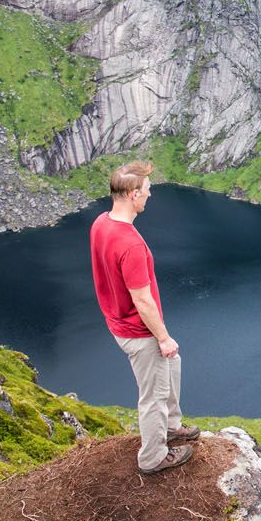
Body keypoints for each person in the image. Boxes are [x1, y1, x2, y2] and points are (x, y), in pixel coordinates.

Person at [89, 160, 199, 474]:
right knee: (153, 394)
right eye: (147, 192)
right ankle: (153, 457)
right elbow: (143, 300)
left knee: (173, 364)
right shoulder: (131, 244)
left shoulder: (101, 223)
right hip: (138, 331)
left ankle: (171, 426)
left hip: (119, 322)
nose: (150, 196)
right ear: (134, 194)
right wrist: (162, 338)